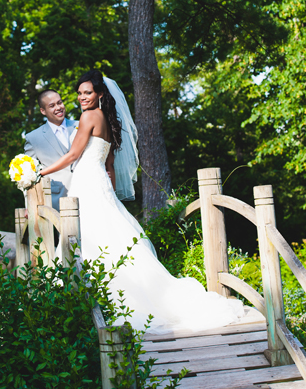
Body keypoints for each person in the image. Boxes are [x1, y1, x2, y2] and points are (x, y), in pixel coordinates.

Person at [40, 70, 243, 333]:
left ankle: (90, 305)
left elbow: (73, 154)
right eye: (79, 93)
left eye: (87, 92)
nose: (82, 98)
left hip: (87, 182)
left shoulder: (89, 116)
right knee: (108, 238)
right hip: (99, 182)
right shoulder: (107, 120)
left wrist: (39, 172)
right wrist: (109, 195)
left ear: (100, 94)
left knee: (89, 237)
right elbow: (109, 165)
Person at [25, 90, 78, 211]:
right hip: (56, 200)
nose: (58, 108)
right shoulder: (33, 138)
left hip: (87, 191)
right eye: (52, 106)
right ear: (43, 111)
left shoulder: (80, 126)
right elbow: (28, 176)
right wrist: (29, 204)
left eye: (60, 103)